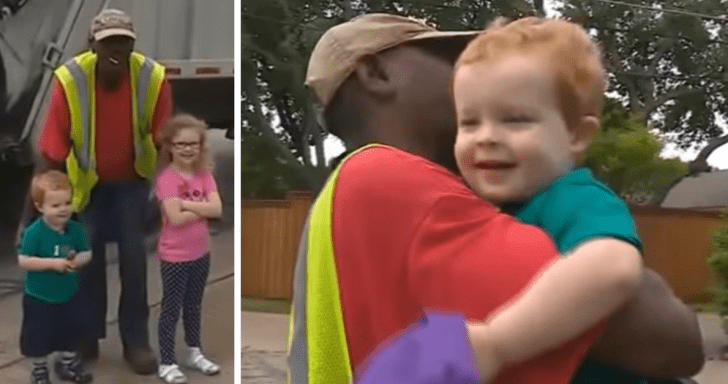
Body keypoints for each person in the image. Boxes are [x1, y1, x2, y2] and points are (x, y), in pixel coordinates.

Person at [288, 13, 704, 384]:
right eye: (452, 59)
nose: (476, 73)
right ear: (376, 73)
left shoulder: (336, 200)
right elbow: (669, 338)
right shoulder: (387, 179)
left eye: (515, 118)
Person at [36, 8, 173, 374]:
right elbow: (51, 150)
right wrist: (36, 208)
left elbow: (166, 144)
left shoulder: (152, 77)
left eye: (124, 43)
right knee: (86, 263)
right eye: (108, 42)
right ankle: (85, 339)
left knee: (133, 263)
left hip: (131, 184)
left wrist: (159, 194)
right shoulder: (69, 80)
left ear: (133, 47)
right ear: (92, 45)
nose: (116, 51)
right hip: (88, 187)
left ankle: (136, 341)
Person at [154, 114, 222, 383]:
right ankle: (167, 361)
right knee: (171, 308)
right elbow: (175, 218)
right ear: (170, 146)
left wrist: (187, 205)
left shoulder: (204, 175)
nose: (187, 149)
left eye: (193, 144)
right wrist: (201, 208)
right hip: (175, 256)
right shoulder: (167, 179)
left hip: (200, 253)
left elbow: (217, 209)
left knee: (193, 305)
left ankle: (195, 351)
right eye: (181, 144)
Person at [18, 170, 93, 384]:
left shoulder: (75, 229)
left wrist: (78, 260)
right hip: (39, 297)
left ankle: (68, 363)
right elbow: (24, 260)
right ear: (40, 207)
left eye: (67, 203)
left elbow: (87, 252)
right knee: (38, 338)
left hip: (69, 293)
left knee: (70, 332)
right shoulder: (35, 232)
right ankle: (39, 370)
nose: (63, 209)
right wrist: (53, 264)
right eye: (55, 205)